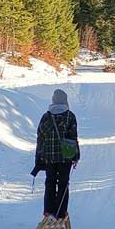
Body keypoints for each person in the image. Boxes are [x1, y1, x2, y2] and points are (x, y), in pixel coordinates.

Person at [33, 88, 79, 220]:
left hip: (49, 157)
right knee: (63, 184)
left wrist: (39, 158)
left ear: (53, 100)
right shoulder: (70, 116)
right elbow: (73, 138)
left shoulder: (46, 117)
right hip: (65, 157)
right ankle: (61, 212)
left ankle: (48, 211)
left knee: (50, 182)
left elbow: (40, 138)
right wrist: (75, 156)